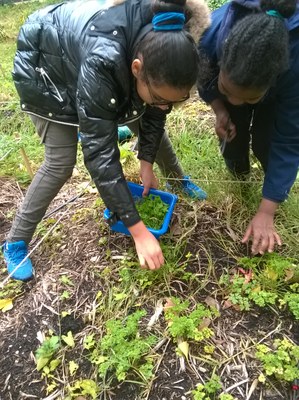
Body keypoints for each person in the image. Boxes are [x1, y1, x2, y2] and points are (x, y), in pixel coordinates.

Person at [2, 0, 210, 280]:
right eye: (161, 98)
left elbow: (156, 112)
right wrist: (138, 230)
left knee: (146, 118)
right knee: (60, 162)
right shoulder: (104, 58)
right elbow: (99, 155)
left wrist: (146, 161)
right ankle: (15, 242)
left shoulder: (171, 43)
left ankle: (178, 180)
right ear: (136, 69)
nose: (165, 106)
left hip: (89, 59)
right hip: (47, 66)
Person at [198, 0, 299, 255]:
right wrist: (220, 108)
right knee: (234, 136)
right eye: (228, 90)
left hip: (282, 89)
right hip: (240, 73)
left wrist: (267, 211)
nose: (236, 102)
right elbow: (205, 78)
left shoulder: (294, 69)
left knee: (266, 141)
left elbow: (289, 139)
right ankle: (239, 174)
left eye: (248, 97)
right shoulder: (211, 36)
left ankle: (272, 190)